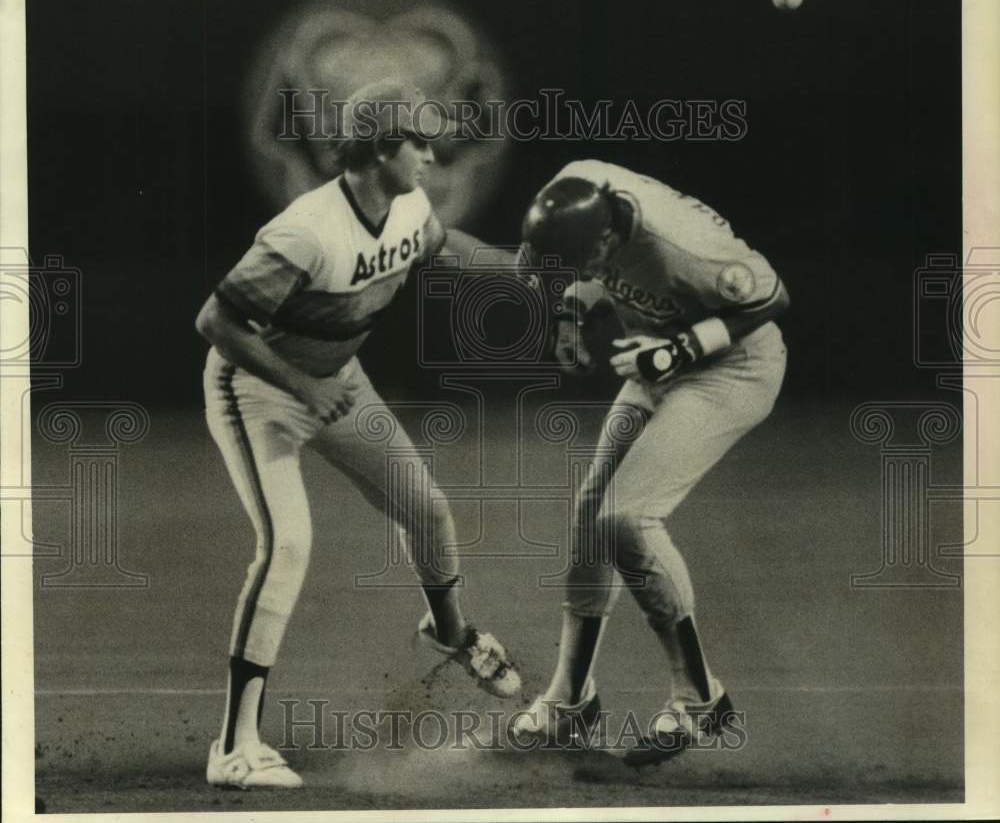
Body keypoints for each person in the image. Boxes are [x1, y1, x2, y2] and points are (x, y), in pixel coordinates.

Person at [195, 79, 520, 789]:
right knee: (287, 545)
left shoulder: (408, 207)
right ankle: (235, 747)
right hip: (256, 391)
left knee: (427, 509)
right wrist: (302, 385)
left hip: (338, 381)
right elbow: (216, 322)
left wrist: (526, 270)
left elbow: (444, 248)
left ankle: (451, 632)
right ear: (379, 147)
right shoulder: (307, 230)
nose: (432, 156)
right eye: (420, 142)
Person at [511, 160, 789, 767]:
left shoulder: (682, 247)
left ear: (607, 240)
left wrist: (680, 349)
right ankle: (570, 700)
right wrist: (569, 313)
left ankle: (700, 698)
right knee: (592, 515)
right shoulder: (574, 193)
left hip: (732, 370)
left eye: (582, 263)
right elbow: (573, 267)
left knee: (627, 517)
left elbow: (772, 297)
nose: (578, 273)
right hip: (657, 356)